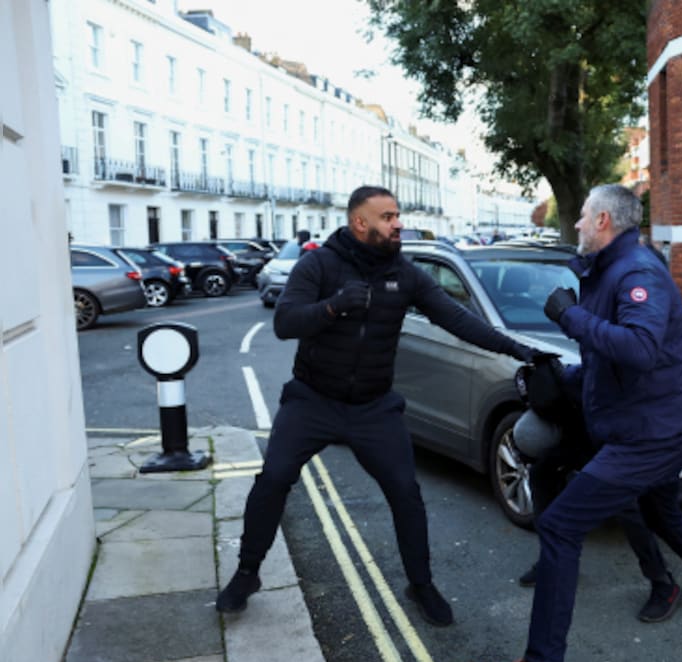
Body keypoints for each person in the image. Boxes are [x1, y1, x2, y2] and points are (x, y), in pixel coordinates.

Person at [463, 184, 682, 662]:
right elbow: (612, 360)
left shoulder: (637, 272)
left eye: (581, 216)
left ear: (603, 221)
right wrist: (561, 378)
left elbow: (639, 349)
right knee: (663, 515)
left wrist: (569, 317)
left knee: (560, 525)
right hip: (647, 422)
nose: (575, 223)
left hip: (650, 434)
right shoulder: (606, 272)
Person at [216, 186, 540, 625]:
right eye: (387, 217)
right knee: (273, 478)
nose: (398, 223)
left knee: (406, 494)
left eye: (397, 215)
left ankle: (421, 584)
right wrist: (334, 306)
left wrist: (520, 350)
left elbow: (456, 318)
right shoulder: (319, 264)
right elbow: (285, 323)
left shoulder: (404, 273)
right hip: (312, 400)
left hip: (373, 407)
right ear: (360, 223)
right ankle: (247, 573)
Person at [515, 359, 682, 624]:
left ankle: (663, 583)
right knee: (541, 472)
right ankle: (552, 561)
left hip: (616, 441)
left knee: (624, 503)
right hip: (583, 437)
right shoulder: (542, 398)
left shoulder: (584, 386)